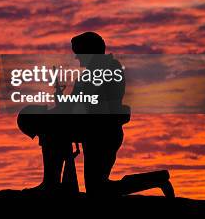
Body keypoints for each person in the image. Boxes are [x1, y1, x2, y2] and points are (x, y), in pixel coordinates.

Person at [18, 32, 174, 197]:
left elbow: (82, 104)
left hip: (102, 134)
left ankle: (158, 179)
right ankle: (51, 183)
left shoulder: (103, 70)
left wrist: (61, 107)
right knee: (97, 187)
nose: (77, 58)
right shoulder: (97, 71)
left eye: (78, 53)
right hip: (94, 132)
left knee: (98, 189)